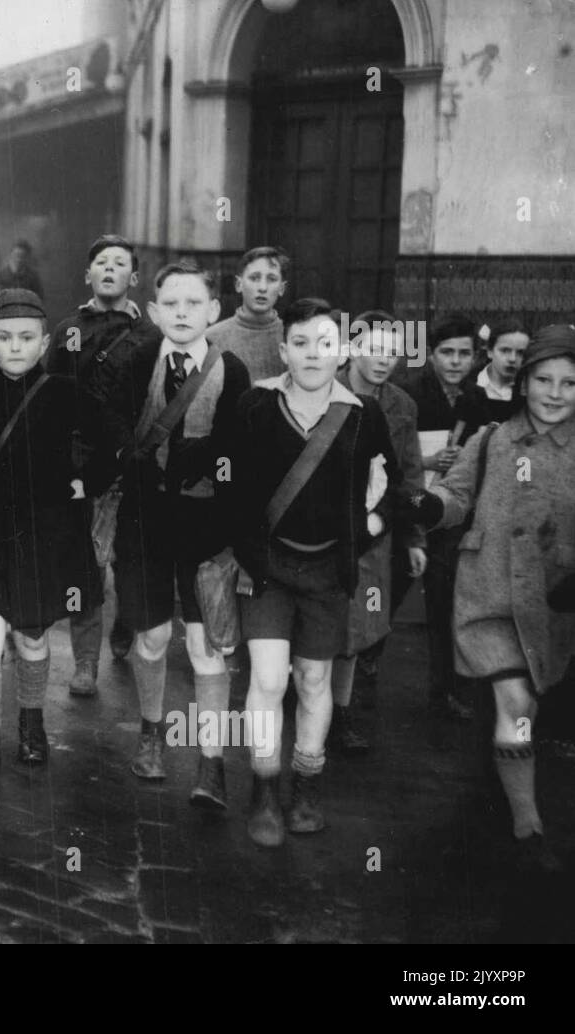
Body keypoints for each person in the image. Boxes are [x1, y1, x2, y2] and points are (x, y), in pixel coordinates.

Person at [405, 324, 575, 873]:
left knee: (530, 708)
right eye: (543, 380)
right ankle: (527, 824)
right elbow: (454, 496)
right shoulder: (491, 441)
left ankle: (496, 785)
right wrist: (427, 506)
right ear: (522, 383)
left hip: (559, 605)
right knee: (516, 705)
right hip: (493, 596)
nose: (554, 393)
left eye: (569, 383)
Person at [230, 298, 399, 847]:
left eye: (325, 343)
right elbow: (228, 478)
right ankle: (262, 788)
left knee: (314, 680)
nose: (312, 353)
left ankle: (305, 786)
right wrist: (243, 544)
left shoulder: (363, 414)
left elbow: (388, 484)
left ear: (341, 350)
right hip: (269, 568)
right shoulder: (255, 405)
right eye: (300, 343)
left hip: (328, 570)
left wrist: (366, 529)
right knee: (269, 680)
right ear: (283, 350)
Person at [104, 260, 250, 807]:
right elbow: (111, 418)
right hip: (143, 519)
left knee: (206, 643)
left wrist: (212, 461)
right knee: (153, 636)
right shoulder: (137, 358)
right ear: (154, 309)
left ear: (214, 312)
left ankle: (211, 762)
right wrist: (127, 454)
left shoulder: (230, 370)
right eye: (172, 303)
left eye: (194, 304)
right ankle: (151, 734)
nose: (183, 313)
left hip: (205, 525)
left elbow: (240, 445)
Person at [0, 289, 105, 785]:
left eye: (25, 338)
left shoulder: (65, 392)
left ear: (44, 343)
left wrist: (86, 483)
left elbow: (113, 444)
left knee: (32, 639)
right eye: (3, 337)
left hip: (45, 536)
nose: (15, 347)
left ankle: (32, 724)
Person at [46, 234, 157, 694]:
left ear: (134, 278)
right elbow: (53, 397)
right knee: (85, 567)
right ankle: (86, 662)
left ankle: (127, 623)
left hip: (134, 464)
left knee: (130, 559)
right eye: (101, 262)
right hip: (83, 465)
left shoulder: (153, 334)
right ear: (87, 275)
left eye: (120, 263)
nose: (109, 269)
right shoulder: (70, 328)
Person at [330, 312, 426, 754]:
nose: (383, 360)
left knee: (357, 626)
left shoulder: (402, 405)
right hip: (321, 528)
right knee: (318, 624)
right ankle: (308, 697)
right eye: (374, 349)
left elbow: (408, 474)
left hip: (373, 531)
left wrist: (414, 537)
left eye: (392, 352)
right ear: (351, 348)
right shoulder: (324, 388)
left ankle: (340, 714)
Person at [406, 315, 491, 730]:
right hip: (409, 506)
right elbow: (391, 451)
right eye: (447, 353)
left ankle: (443, 694)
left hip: (452, 513)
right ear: (431, 355)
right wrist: (425, 461)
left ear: (476, 358)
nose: (456, 361)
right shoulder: (412, 394)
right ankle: (359, 684)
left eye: (464, 354)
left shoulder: (476, 399)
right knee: (382, 599)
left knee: (445, 602)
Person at [207, 245, 289, 384]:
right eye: (254, 278)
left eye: (271, 279)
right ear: (239, 284)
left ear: (281, 288)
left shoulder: (291, 337)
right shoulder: (210, 338)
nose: (262, 287)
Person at [475, 318, 530, 424]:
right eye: (505, 350)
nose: (512, 359)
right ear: (490, 351)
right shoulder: (469, 385)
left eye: (520, 353)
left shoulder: (528, 392)